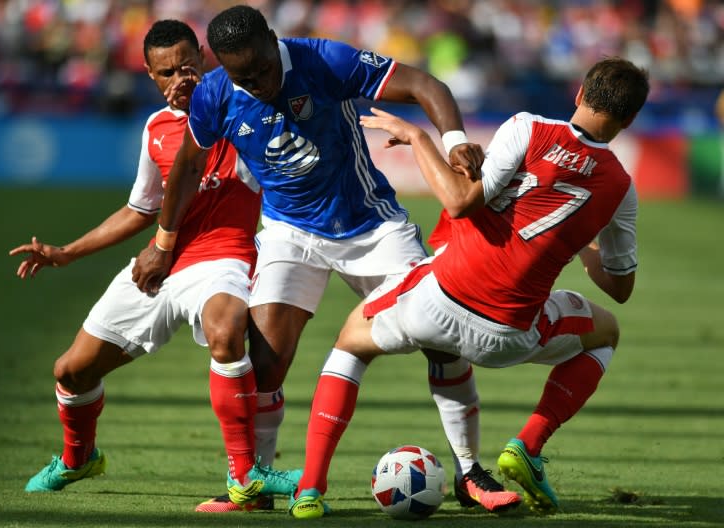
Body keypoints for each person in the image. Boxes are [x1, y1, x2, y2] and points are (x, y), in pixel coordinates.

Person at [131, 4, 520, 514]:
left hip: (372, 227)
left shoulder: (323, 60)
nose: (261, 84)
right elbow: (186, 166)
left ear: (274, 41)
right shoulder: (215, 94)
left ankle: (471, 473)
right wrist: (163, 243)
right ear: (222, 67)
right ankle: (255, 488)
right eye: (245, 76)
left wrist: (454, 142)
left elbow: (428, 86)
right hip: (291, 233)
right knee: (265, 364)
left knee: (444, 341)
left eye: (265, 69)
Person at [291, 56, 649, 518]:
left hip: (437, 302)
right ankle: (525, 446)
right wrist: (579, 242)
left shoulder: (528, 128)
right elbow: (619, 286)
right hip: (510, 336)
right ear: (630, 119)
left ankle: (310, 488)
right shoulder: (621, 187)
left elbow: (461, 201)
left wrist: (419, 137)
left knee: (350, 344)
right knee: (607, 331)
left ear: (578, 94)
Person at [12, 19, 299, 510]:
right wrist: (66, 252)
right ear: (149, 74)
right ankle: (79, 458)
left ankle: (244, 477)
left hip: (224, 256)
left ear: (206, 60)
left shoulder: (246, 106)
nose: (178, 79)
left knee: (227, 334)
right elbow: (140, 209)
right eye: (166, 72)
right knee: (71, 372)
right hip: (157, 266)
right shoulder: (156, 129)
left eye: (187, 67)